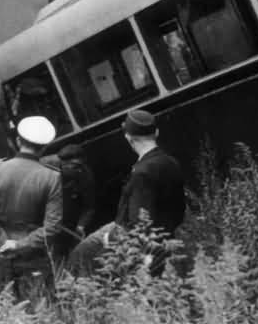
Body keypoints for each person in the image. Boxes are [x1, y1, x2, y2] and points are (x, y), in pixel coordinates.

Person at [69, 109, 186, 277]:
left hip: (139, 238)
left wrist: (110, 238)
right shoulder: (170, 161)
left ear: (128, 138)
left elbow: (139, 222)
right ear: (157, 132)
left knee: (80, 256)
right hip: (166, 230)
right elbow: (179, 209)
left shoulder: (142, 172)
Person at [0, 116, 64, 297]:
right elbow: (52, 228)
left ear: (17, 141)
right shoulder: (51, 177)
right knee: (39, 305)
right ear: (45, 147)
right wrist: (20, 244)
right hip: (34, 254)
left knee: (2, 308)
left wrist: (2, 240)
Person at [40, 144, 96, 254]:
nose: (79, 169)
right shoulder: (43, 166)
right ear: (63, 164)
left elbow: (89, 207)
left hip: (68, 221)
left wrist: (80, 227)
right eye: (75, 166)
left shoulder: (85, 175)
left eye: (81, 165)